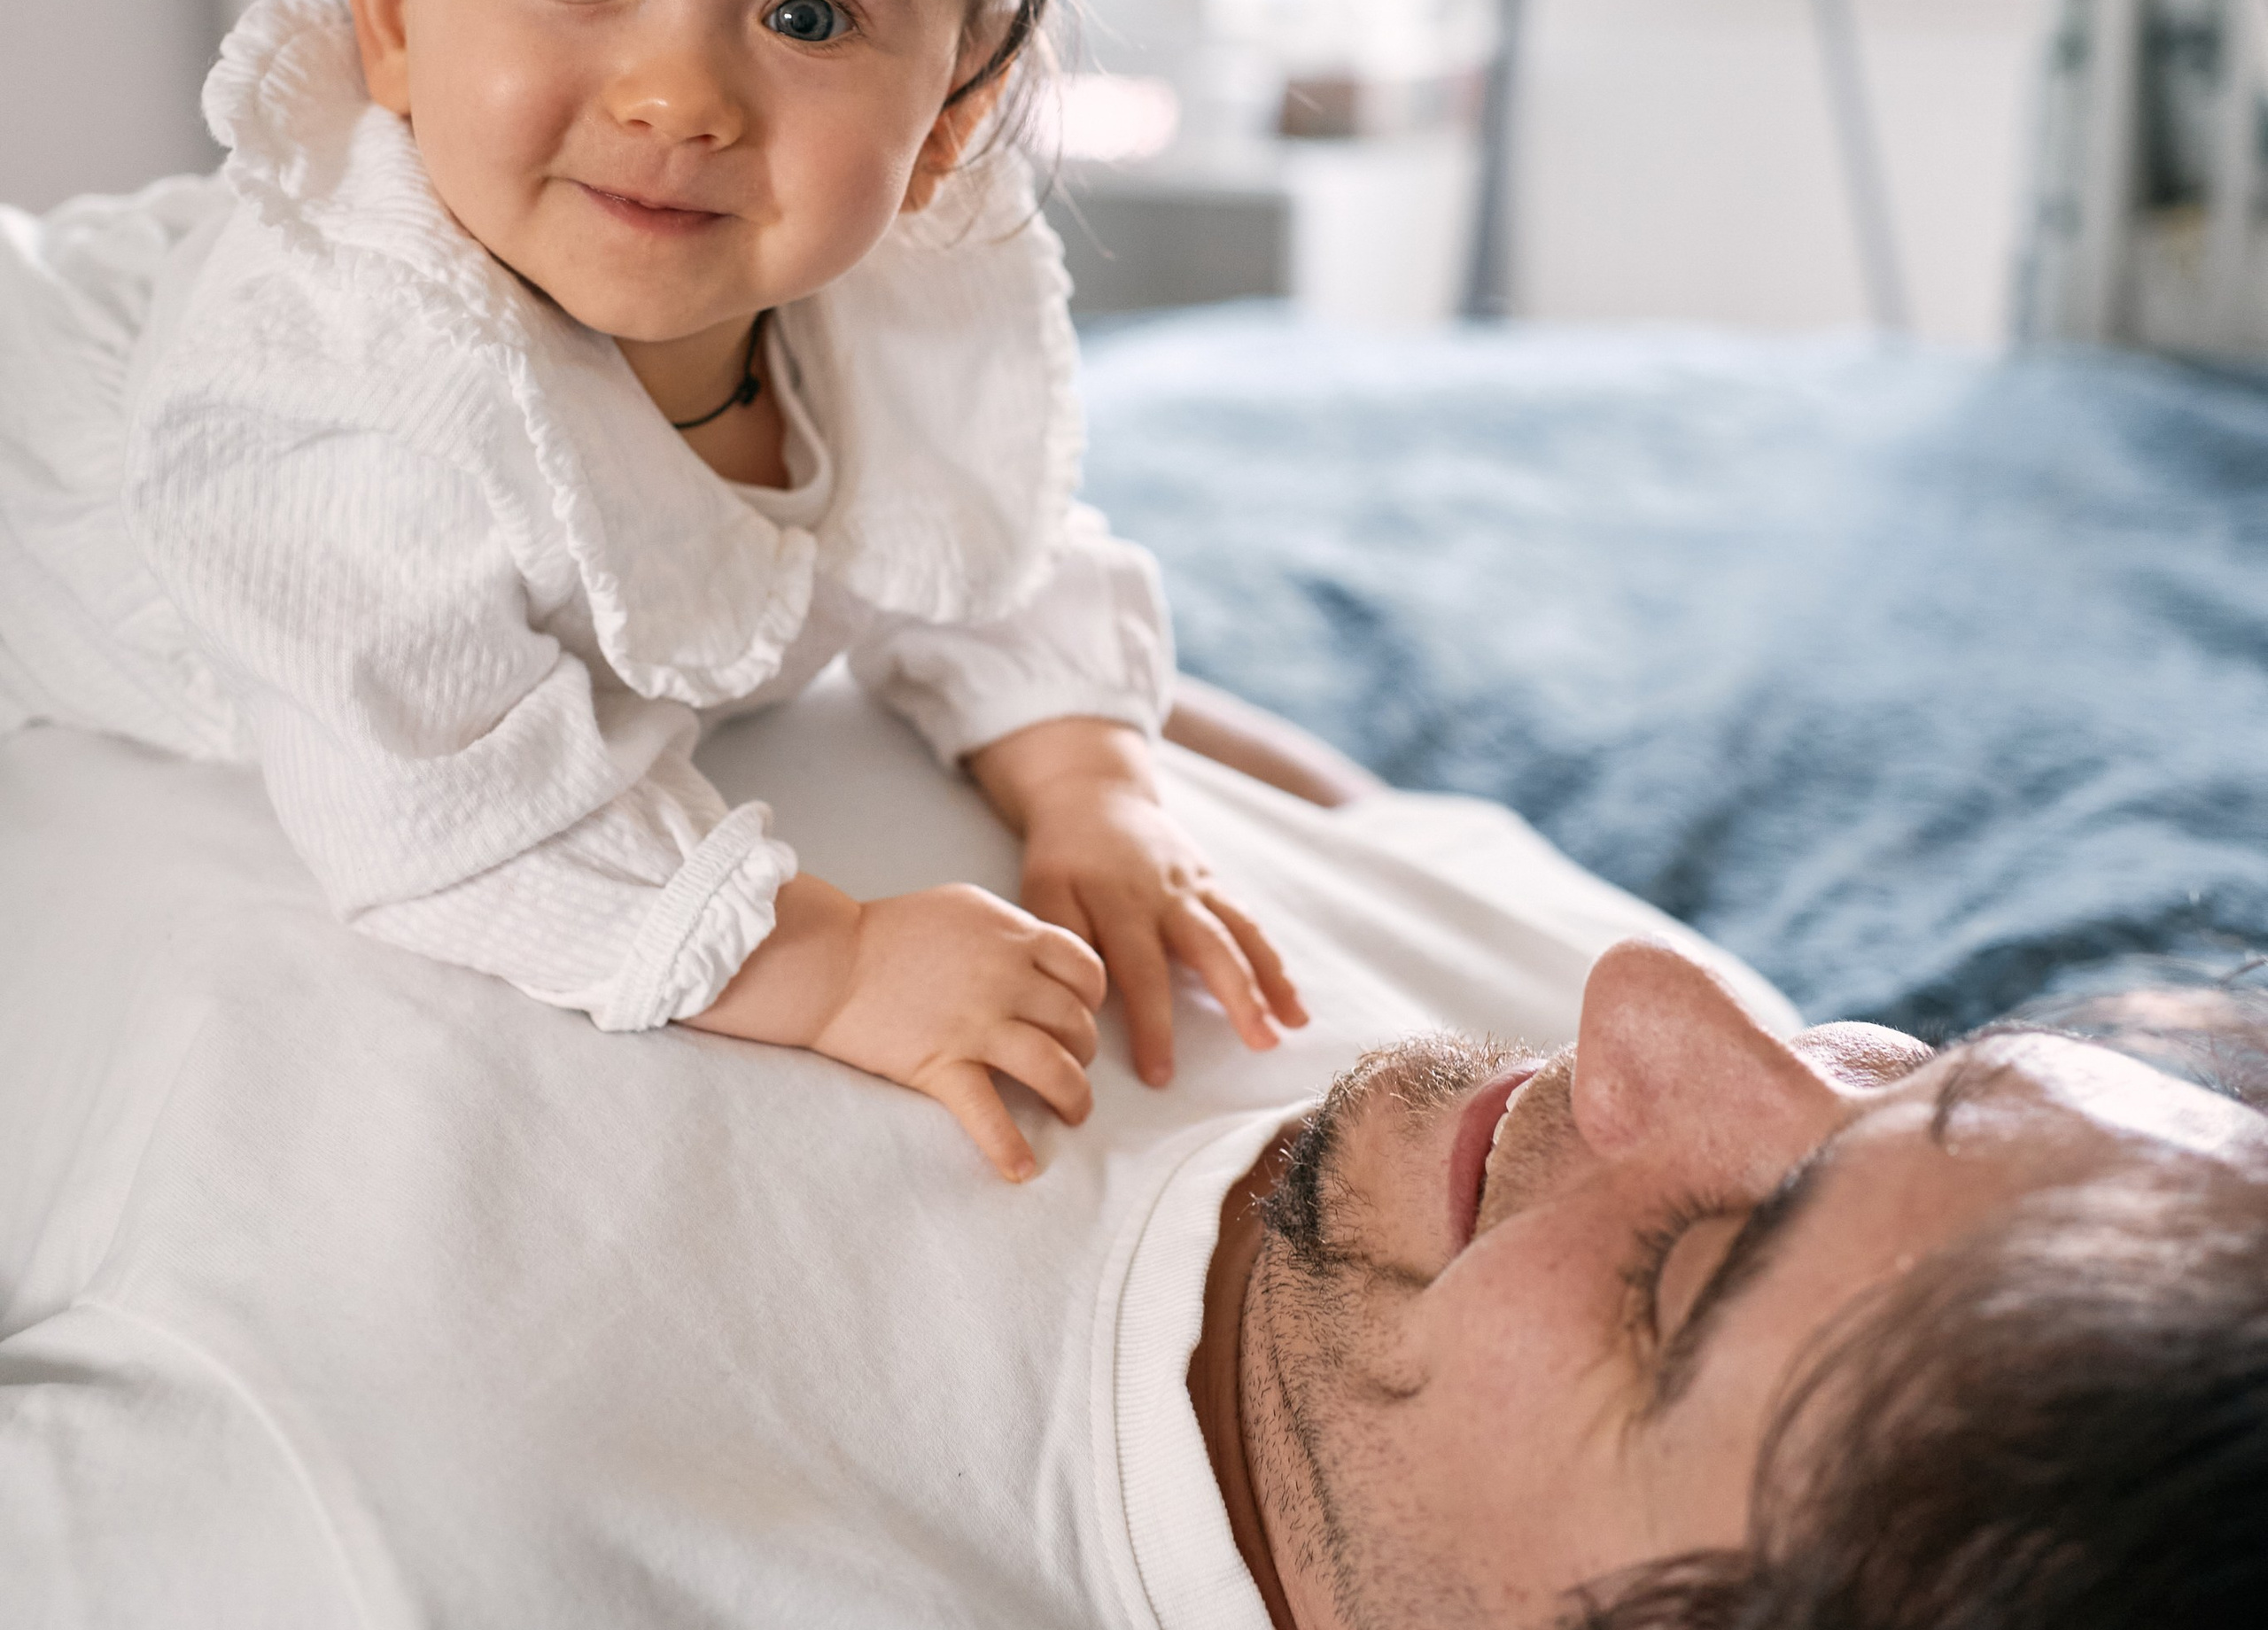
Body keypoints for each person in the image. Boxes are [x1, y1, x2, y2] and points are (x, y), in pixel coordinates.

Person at [0, 0, 1309, 1182]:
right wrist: (827, 958)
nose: (680, 93)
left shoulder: (885, 294)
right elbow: (444, 813)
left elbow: (983, 536)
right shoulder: (331, 406)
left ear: (948, 118)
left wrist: (1089, 777)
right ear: (388, 7)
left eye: (808, 13)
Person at [4, 678, 2263, 1627]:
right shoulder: (1646, 1036)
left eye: (1682, 1287)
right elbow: (1150, 703)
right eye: (1916, 1064)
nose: (1653, 1015)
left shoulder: (395, 1541)